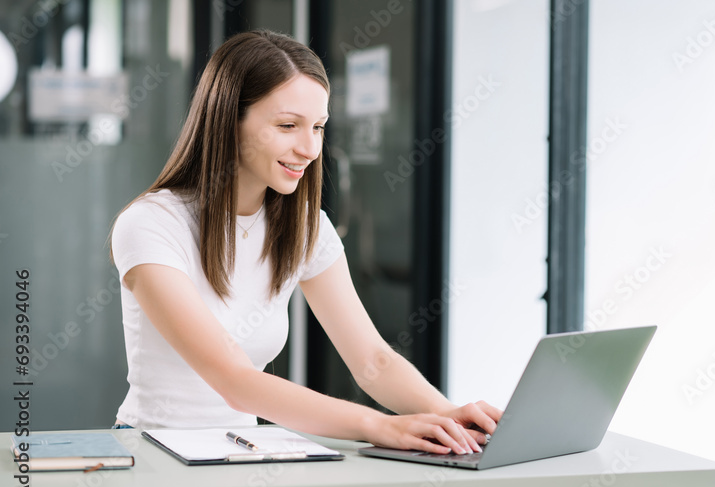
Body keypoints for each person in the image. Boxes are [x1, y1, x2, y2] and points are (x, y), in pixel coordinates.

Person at [108, 29, 500, 455]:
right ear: (228, 120)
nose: (310, 147)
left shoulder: (307, 226)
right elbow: (234, 381)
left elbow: (372, 361)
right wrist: (377, 425)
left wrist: (448, 417)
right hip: (151, 451)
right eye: (287, 125)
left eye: (318, 127)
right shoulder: (151, 223)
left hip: (238, 450)